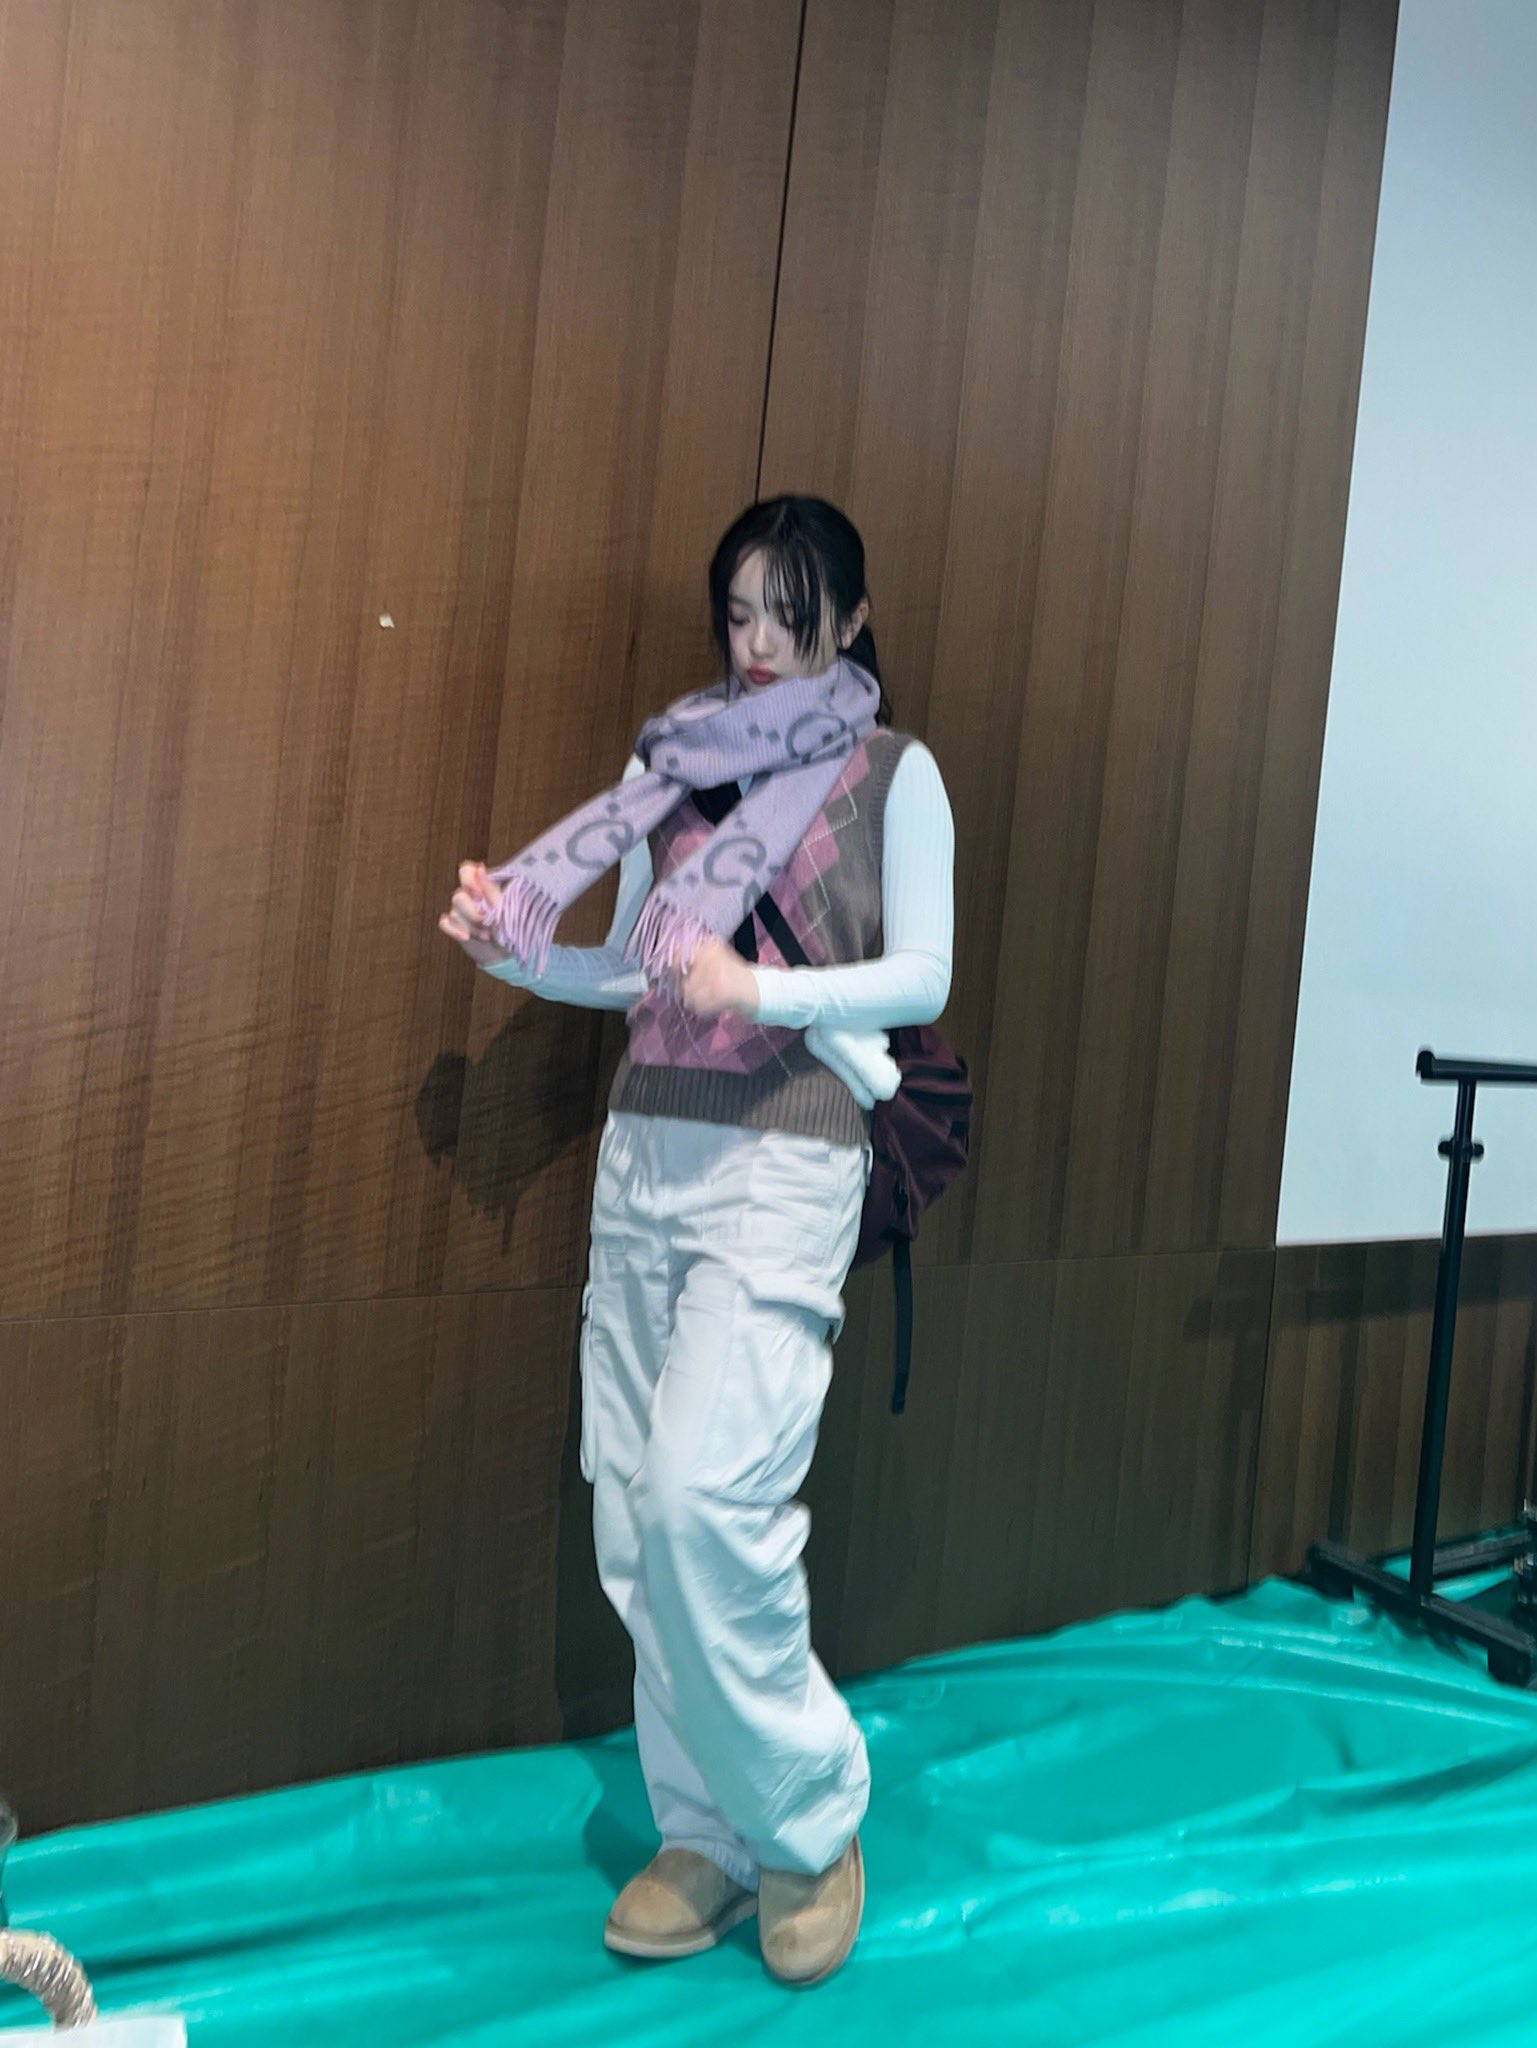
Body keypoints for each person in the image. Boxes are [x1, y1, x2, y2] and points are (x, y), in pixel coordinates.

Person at [439, 496, 955, 1988]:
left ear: (853, 619)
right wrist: (519, 954)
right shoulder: (664, 766)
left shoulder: (896, 770)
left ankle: (809, 1819)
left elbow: (924, 973)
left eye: (792, 613)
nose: (760, 643)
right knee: (629, 1513)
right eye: (739, 612)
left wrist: (760, 988)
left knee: (701, 1501)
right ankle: (705, 1831)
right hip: (646, 1151)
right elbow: (627, 970)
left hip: (788, 1159)